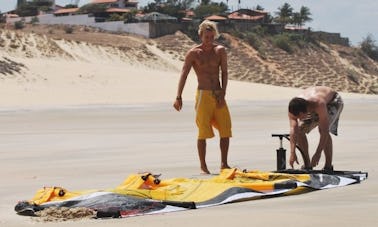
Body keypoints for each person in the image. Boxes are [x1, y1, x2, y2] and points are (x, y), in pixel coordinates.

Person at [173, 20, 232, 174]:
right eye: (206, 37)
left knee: (225, 128)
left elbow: (224, 73)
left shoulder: (220, 50)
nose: (209, 40)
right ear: (200, 35)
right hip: (203, 95)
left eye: (212, 36)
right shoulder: (193, 53)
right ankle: (203, 166)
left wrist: (223, 92)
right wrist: (178, 96)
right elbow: (184, 74)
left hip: (218, 94)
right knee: (203, 131)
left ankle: (224, 164)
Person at [288, 86, 344, 171]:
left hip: (333, 101)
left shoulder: (319, 103)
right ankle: (307, 164)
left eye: (300, 117)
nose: (299, 119)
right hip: (312, 104)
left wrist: (317, 154)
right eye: (297, 118)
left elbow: (325, 131)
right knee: (299, 130)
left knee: (322, 129)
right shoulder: (293, 108)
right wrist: (292, 153)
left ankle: (328, 166)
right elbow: (293, 131)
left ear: (306, 111)